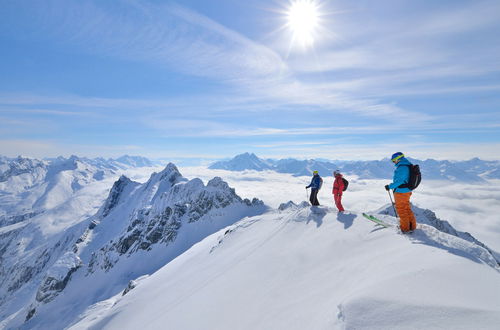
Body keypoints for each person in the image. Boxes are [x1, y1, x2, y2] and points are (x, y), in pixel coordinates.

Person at [385, 152, 417, 233]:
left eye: (394, 160)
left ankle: (405, 228)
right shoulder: (407, 165)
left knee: (401, 210)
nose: (393, 162)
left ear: (398, 159)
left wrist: (390, 186)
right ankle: (411, 226)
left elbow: (400, 181)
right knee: (406, 208)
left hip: (401, 192)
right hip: (406, 191)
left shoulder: (402, 168)